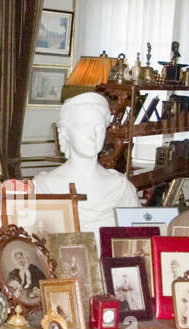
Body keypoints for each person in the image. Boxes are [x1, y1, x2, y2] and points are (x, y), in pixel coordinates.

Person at [33, 91, 138, 236]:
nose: (93, 135)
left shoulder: (122, 189)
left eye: (99, 127)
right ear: (65, 134)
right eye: (84, 126)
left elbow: (136, 245)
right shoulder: (43, 188)